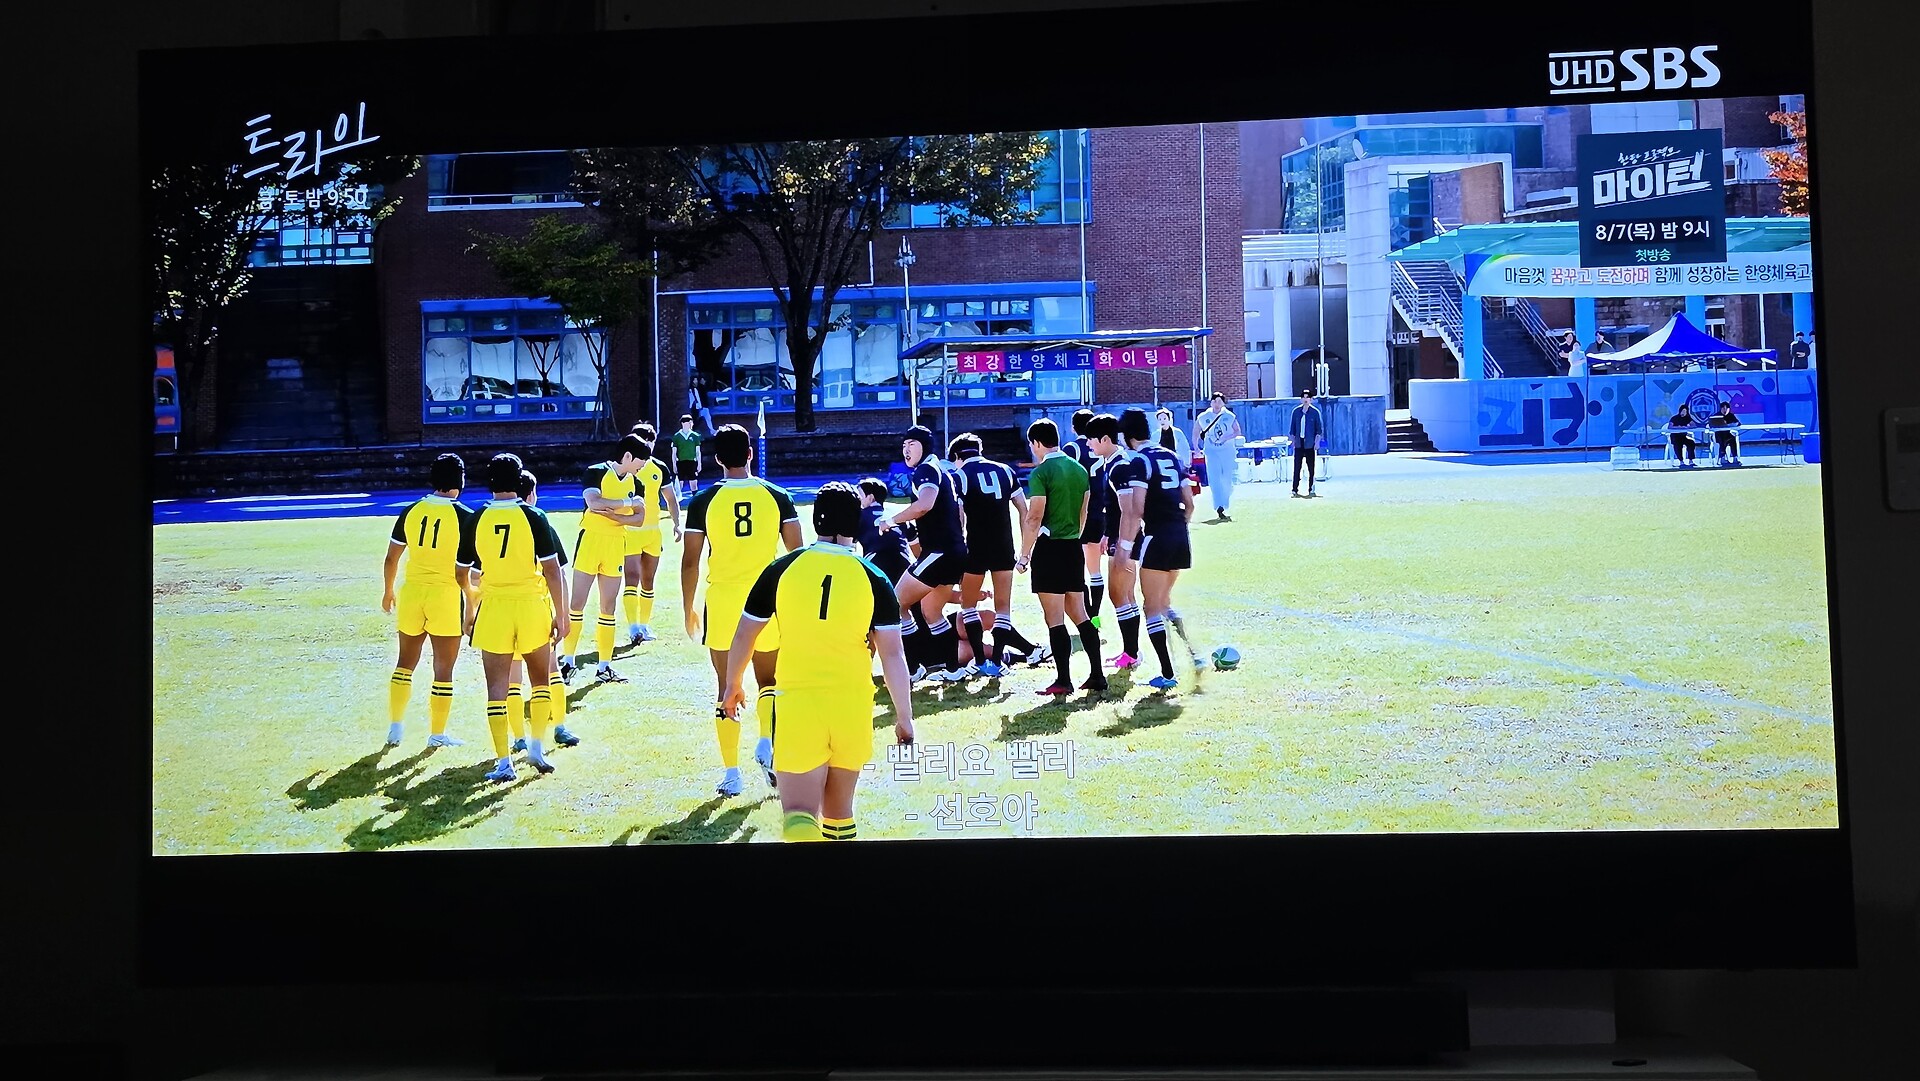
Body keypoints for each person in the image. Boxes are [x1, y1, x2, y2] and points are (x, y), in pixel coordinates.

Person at [722, 483, 915, 842]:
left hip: (798, 703)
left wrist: (733, 685)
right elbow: (893, 654)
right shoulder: (874, 577)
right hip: (852, 704)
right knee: (840, 815)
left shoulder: (782, 568)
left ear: (815, 520)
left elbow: (745, 634)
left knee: (799, 816)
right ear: (856, 523)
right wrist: (904, 717)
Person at [682, 424, 803, 797]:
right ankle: (766, 743)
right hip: (766, 599)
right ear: (751, 454)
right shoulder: (777, 496)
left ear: (716, 458)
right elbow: (796, 555)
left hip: (723, 600)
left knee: (726, 686)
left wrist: (687, 608)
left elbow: (690, 561)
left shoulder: (703, 501)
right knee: (770, 682)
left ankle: (732, 773)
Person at [459, 453, 569, 782]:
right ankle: (536, 746)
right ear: (519, 479)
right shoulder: (534, 516)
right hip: (531, 605)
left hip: (494, 607)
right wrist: (562, 615)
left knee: (497, 686)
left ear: (489, 481)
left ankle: (503, 762)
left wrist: (470, 607)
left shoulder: (477, 517)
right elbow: (553, 570)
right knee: (540, 680)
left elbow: (461, 572)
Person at [381, 453, 475, 749]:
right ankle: (437, 734)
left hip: (412, 593)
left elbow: (391, 558)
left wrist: (388, 591)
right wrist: (472, 601)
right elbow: (471, 569)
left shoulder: (411, 510)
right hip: (446, 596)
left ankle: (395, 727)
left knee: (404, 663)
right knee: (443, 669)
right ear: (460, 479)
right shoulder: (465, 516)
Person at [1016, 418, 1106, 697]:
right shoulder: (1078, 469)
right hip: (1072, 547)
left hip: (1050, 549)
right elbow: (1083, 511)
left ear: (1036, 443)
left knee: (1054, 618)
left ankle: (1063, 680)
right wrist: (1074, 536)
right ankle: (1097, 674)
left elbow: (1034, 517)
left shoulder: (1041, 472)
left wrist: (1024, 555)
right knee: (1080, 614)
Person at [876, 425, 969, 682]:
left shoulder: (926, 470)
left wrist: (890, 521)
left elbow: (924, 505)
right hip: (953, 551)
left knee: (895, 604)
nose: (906, 450)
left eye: (912, 444)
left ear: (925, 446)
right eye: (904, 445)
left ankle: (913, 667)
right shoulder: (940, 470)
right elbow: (958, 513)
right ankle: (953, 669)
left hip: (940, 552)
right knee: (931, 612)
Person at [556, 434, 650, 685]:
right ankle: (568, 662)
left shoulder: (637, 483)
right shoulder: (596, 472)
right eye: (640, 461)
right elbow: (593, 503)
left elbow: (639, 519)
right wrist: (626, 503)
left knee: (608, 607)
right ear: (628, 456)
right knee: (577, 603)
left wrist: (616, 516)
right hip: (591, 540)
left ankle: (604, 666)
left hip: (615, 544)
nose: (642, 467)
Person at [950, 432, 1039, 677]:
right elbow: (1023, 509)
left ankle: (981, 660)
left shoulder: (960, 475)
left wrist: (960, 545)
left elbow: (959, 516)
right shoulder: (1005, 471)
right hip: (1003, 545)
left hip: (976, 546)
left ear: (957, 456)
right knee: (1003, 608)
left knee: (968, 605)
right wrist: (1024, 550)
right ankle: (998, 661)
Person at [1122, 409, 1197, 691]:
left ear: (1127, 437)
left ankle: (1167, 673)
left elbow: (1137, 508)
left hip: (1157, 536)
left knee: (1151, 606)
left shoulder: (1139, 460)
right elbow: (1190, 504)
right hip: (1180, 535)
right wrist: (1177, 526)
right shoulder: (1172, 456)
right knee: (1164, 602)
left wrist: (1126, 545)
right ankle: (1195, 654)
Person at [1091, 411, 1148, 671]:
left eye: (1092, 439)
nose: (1089, 444)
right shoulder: (1112, 463)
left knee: (1119, 594)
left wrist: (1124, 543)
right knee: (1124, 594)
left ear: (1105, 439)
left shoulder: (1119, 466)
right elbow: (1114, 508)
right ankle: (1131, 652)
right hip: (1119, 536)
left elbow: (1129, 509)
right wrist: (1107, 533)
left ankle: (1131, 653)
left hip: (1125, 539)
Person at [620, 422, 680, 646]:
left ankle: (644, 626)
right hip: (631, 531)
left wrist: (677, 523)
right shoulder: (624, 467)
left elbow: (670, 499)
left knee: (648, 580)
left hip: (653, 532)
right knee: (631, 578)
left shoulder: (659, 468)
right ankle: (632, 627)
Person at [1061, 408, 1107, 615]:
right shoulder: (1101, 447)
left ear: (1073, 428)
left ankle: (1085, 616)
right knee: (1095, 569)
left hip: (1078, 512)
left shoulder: (1072, 448)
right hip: (1100, 511)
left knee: (1076, 567)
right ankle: (1095, 617)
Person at [1194, 393, 1243, 521]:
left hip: (1227, 451)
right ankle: (1219, 506)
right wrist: (1196, 447)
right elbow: (1196, 432)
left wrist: (1227, 437)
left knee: (1227, 478)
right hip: (1211, 451)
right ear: (1211, 402)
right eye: (1215, 401)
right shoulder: (1203, 416)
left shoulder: (1229, 416)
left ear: (1223, 403)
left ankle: (1225, 502)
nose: (1217, 404)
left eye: (1219, 401)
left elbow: (1237, 431)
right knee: (1214, 478)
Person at [1288, 389, 1325, 498]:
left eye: (1307, 397)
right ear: (1301, 399)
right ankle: (1294, 489)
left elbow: (1319, 430)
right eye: (1303, 397)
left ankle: (1311, 489)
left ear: (1311, 399)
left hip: (1310, 444)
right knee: (1297, 468)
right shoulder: (1296, 412)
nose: (1305, 399)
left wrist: (1317, 443)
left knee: (1311, 468)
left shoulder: (1315, 413)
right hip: (1299, 444)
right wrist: (1293, 442)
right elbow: (1292, 429)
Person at [669, 413, 705, 498]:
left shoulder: (695, 436)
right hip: (681, 462)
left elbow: (698, 451)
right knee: (680, 483)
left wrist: (699, 464)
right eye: (689, 422)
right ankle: (676, 500)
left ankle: (695, 499)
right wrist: (674, 465)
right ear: (683, 423)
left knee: (693, 482)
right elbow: (674, 452)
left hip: (692, 462)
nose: (691, 424)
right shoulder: (677, 436)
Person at [1708, 400, 1743, 467]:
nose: (1725, 410)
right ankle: (1722, 458)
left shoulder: (1731, 415)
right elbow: (1710, 425)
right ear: (1721, 409)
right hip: (1718, 435)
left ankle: (1735, 458)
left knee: (1733, 439)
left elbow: (1738, 423)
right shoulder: (1716, 416)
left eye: (1727, 408)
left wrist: (1731, 424)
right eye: (1723, 408)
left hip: (1727, 434)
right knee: (1722, 440)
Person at [1668, 402, 1702, 467]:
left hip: (1683, 437)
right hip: (1675, 437)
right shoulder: (1674, 418)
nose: (1684, 413)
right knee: (1678, 445)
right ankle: (1681, 461)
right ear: (1680, 411)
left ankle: (1691, 460)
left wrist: (1687, 427)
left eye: (1685, 411)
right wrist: (1678, 427)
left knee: (1691, 443)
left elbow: (1694, 425)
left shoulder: (1687, 418)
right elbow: (1670, 427)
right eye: (1683, 411)